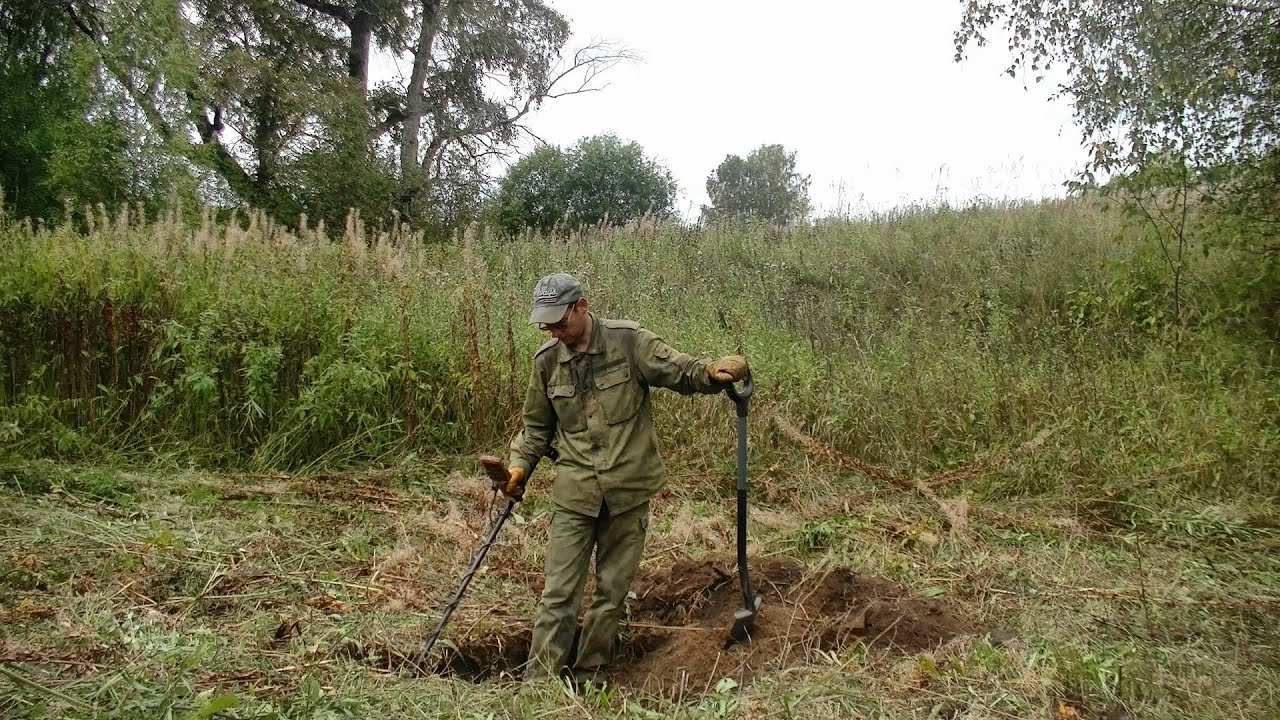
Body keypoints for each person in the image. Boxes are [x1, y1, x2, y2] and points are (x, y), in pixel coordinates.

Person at [500, 272, 749, 682]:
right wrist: (518, 469)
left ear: (581, 306)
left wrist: (711, 372)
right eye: (547, 325)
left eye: (560, 321)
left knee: (611, 593)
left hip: (628, 491)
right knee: (558, 595)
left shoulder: (629, 341)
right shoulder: (546, 364)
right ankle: (539, 684)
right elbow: (536, 430)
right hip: (575, 494)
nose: (554, 331)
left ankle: (589, 675)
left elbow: (680, 371)